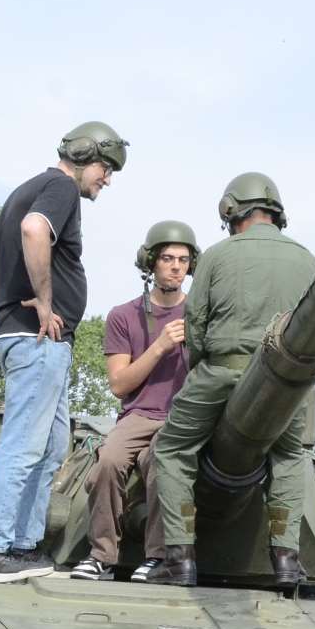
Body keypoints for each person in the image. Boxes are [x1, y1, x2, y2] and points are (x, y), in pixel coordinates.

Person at [0, 120, 128, 583]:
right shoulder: (60, 189)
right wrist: (42, 304)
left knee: (52, 445)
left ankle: (23, 546)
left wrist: (7, 301)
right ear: (83, 155)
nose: (107, 179)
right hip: (38, 341)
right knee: (24, 444)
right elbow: (37, 230)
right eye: (105, 167)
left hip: (30, 338)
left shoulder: (26, 188)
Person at [149, 173, 315, 587]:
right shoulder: (308, 259)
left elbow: (196, 325)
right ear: (276, 212)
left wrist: (201, 375)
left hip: (221, 370)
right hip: (285, 383)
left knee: (172, 448)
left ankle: (180, 558)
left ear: (230, 210)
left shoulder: (217, 256)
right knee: (290, 457)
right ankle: (285, 559)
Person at [70, 221, 199, 583]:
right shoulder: (123, 316)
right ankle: (101, 556)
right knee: (107, 462)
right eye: (167, 258)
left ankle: (158, 557)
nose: (176, 266)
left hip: (183, 416)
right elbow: (118, 383)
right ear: (151, 263)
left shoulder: (201, 316)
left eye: (184, 260)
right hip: (138, 413)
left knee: (162, 462)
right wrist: (160, 347)